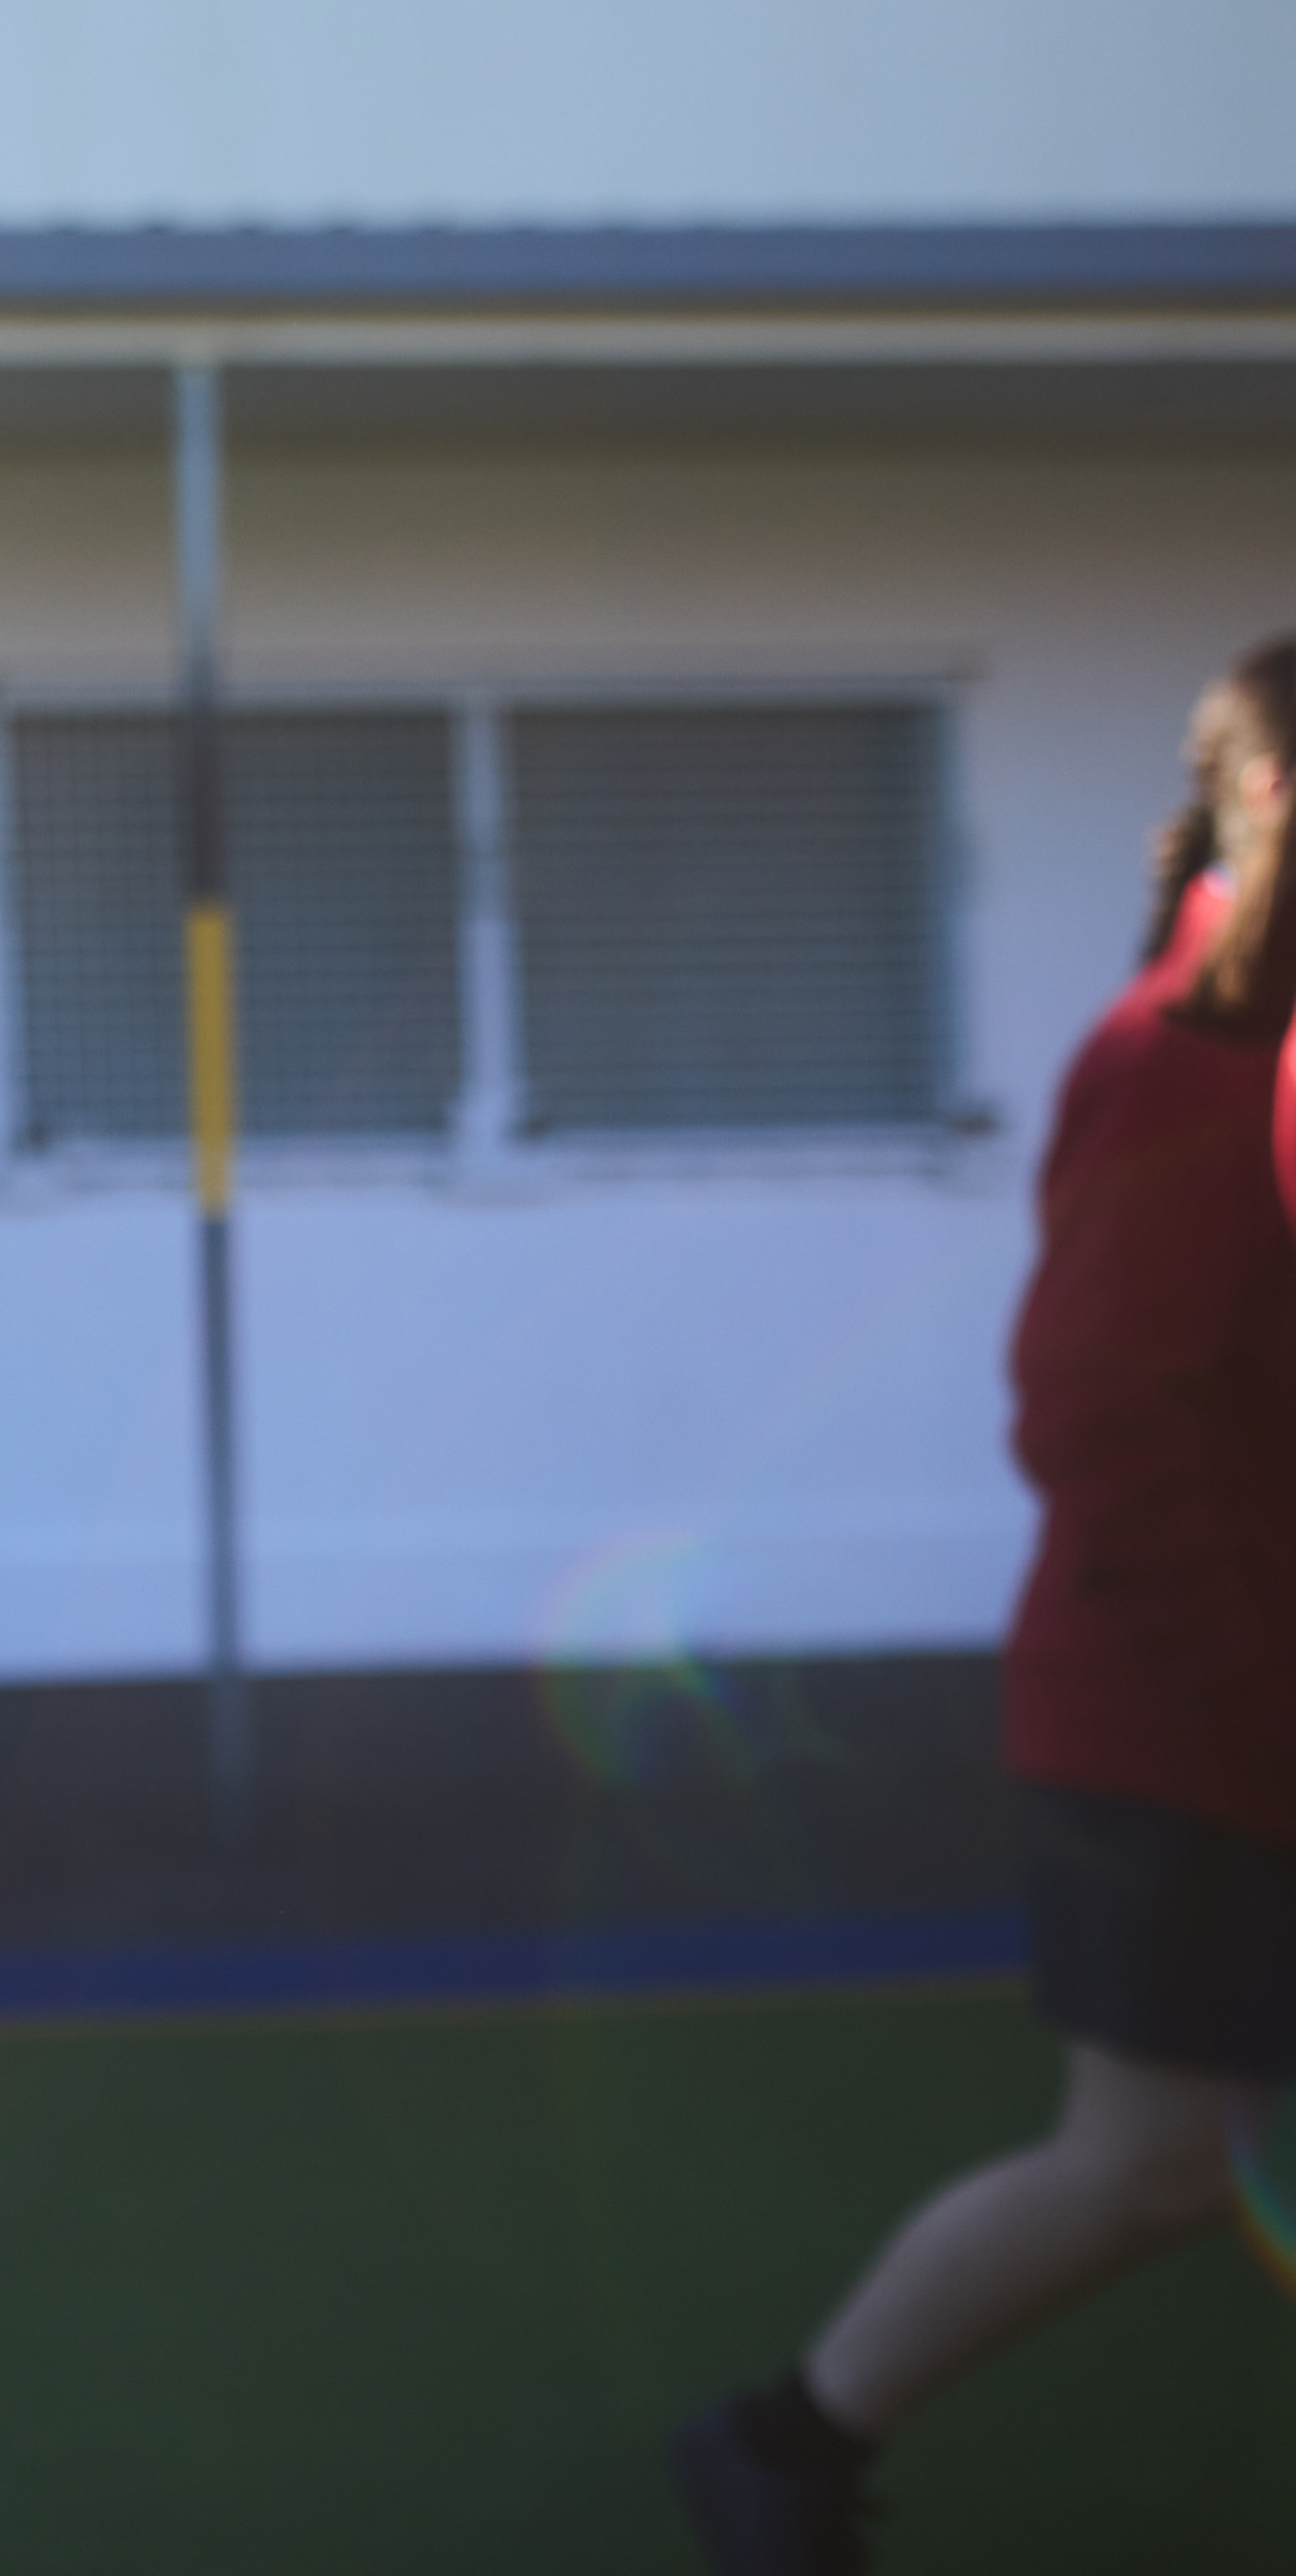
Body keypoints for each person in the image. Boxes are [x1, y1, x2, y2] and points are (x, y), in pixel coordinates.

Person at [673, 638, 1296, 2573]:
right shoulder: (1179, 1059)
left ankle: (781, 2439)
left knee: (1173, 2158)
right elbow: (1096, 1416)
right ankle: (781, 2440)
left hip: (1219, 1710)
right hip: (1184, 1725)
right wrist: (1256, 1708)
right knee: (1148, 2158)